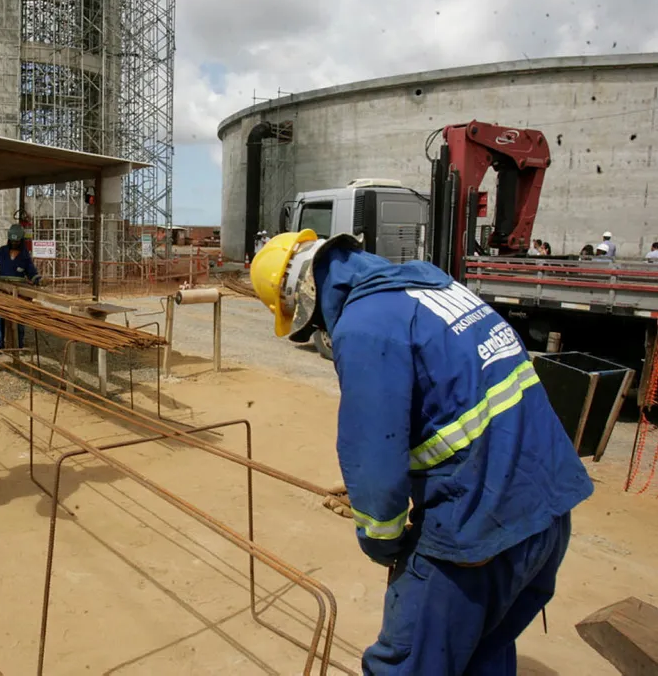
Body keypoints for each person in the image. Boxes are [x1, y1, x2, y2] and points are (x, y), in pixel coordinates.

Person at [249, 229, 594, 674]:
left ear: (303, 297)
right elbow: (455, 409)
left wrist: (382, 536)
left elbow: (373, 452)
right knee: (482, 655)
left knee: (406, 665)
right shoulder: (433, 285)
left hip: (479, 535)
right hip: (546, 512)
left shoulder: (365, 324)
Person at [0, 224, 42, 350]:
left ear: (21, 241)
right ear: (9, 240)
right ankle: (0, 346)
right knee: (1, 319)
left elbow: (32, 273)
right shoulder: (2, 251)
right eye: (13, 241)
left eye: (17, 241)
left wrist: (39, 280)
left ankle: (18, 346)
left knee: (19, 320)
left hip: (19, 292)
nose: (14, 243)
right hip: (2, 290)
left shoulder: (25, 256)